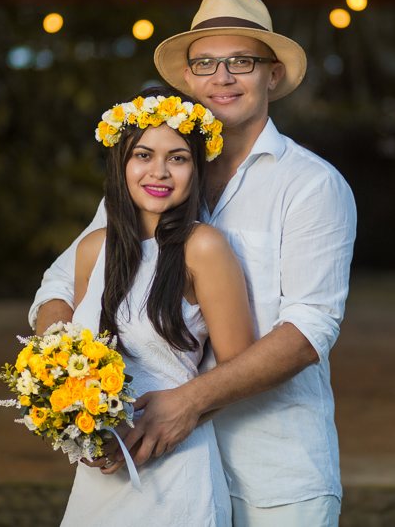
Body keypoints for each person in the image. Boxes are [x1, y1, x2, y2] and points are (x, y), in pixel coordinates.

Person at [32, 0, 357, 527]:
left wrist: (186, 402)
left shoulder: (311, 184)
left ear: (272, 75)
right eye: (205, 63)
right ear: (187, 77)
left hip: (273, 472)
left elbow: (308, 330)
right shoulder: (153, 178)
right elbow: (61, 286)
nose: (222, 77)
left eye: (241, 62)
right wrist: (70, 390)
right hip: (151, 471)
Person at [59, 90, 254, 526]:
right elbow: (78, 356)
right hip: (100, 475)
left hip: (174, 472)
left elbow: (241, 367)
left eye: (179, 158)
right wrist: (77, 425)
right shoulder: (93, 249)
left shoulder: (203, 247)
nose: (160, 172)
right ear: (121, 163)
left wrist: (175, 417)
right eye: (143, 155)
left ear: (196, 168)